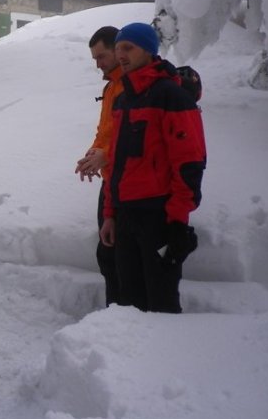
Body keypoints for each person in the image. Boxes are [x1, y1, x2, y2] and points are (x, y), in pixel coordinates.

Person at [98, 22, 206, 314]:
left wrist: (177, 220)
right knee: (129, 304)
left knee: (161, 304)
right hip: (125, 217)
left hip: (158, 217)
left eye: (128, 48)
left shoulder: (171, 96)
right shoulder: (123, 100)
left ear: (148, 49)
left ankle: (165, 358)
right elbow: (116, 165)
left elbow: (190, 162)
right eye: (118, 48)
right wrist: (110, 214)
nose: (121, 54)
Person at [74, 26, 123, 306]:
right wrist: (92, 155)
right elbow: (105, 132)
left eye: (102, 57)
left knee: (117, 258)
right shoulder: (111, 87)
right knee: (107, 255)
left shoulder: (130, 87)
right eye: (95, 59)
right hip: (109, 182)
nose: (98, 64)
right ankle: (113, 316)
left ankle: (120, 316)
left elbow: (130, 138)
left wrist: (106, 155)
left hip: (125, 183)